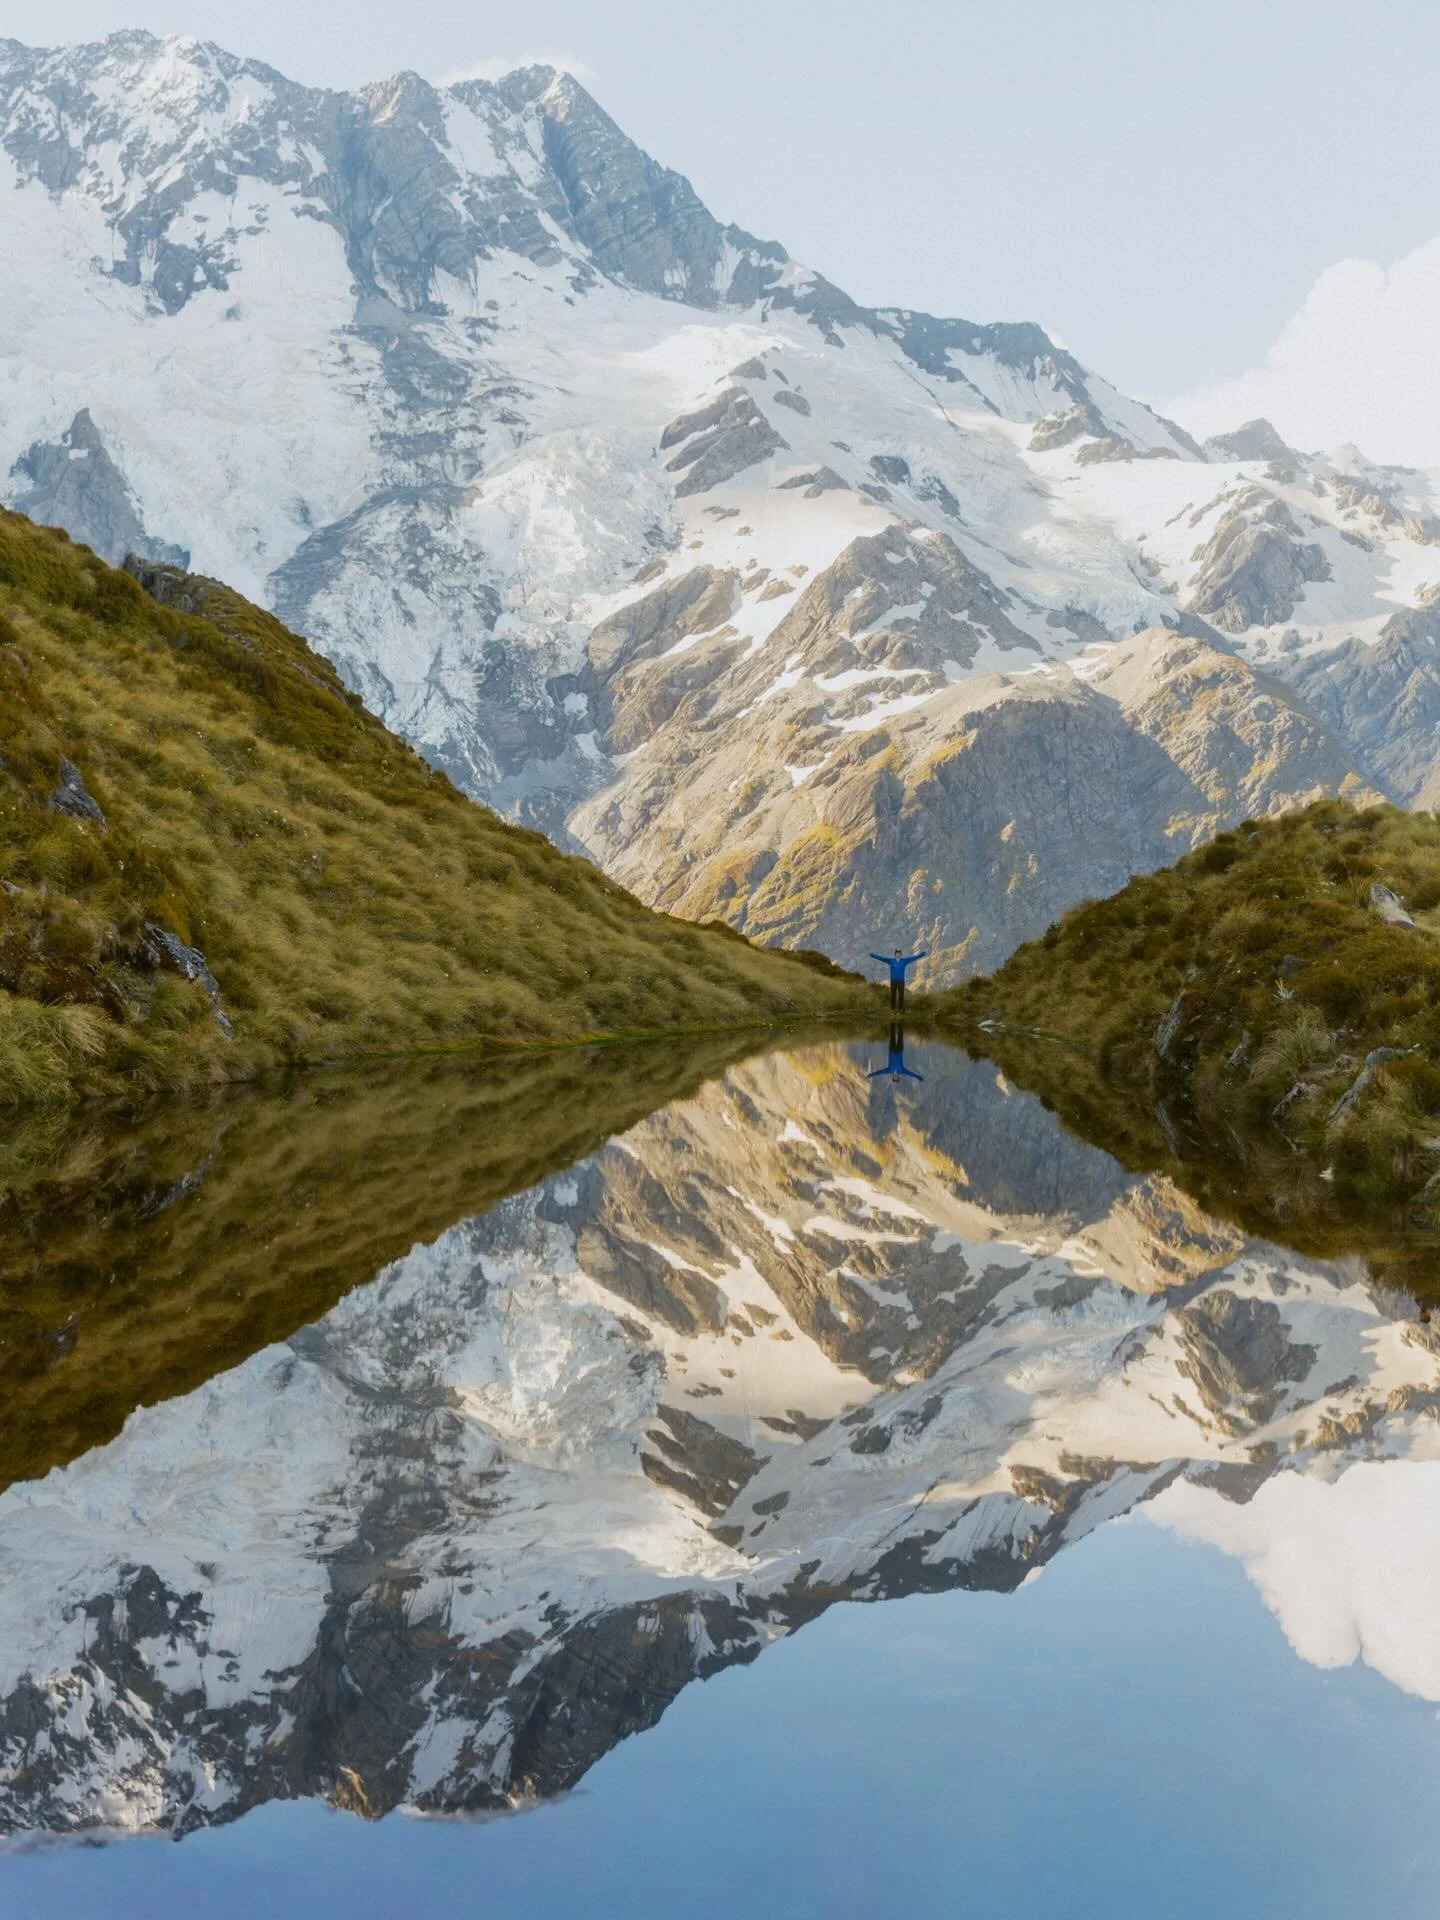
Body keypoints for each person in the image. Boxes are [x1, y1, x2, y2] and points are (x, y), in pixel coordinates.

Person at [869, 945, 927, 1013]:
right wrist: (873, 955)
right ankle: (892, 1009)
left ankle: (900, 1009)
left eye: (899, 953)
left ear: (901, 954)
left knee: (901, 995)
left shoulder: (904, 961)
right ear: (895, 954)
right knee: (893, 995)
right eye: (897, 953)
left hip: (901, 981)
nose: (898, 954)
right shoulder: (891, 960)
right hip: (893, 981)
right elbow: (882, 958)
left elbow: (913, 958)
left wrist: (922, 954)